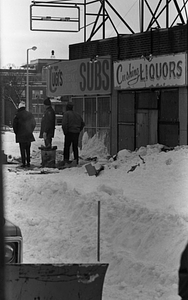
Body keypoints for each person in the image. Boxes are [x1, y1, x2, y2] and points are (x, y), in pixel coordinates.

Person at [13, 101, 36, 167]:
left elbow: (15, 125)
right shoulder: (29, 114)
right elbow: (33, 123)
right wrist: (30, 130)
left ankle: (23, 162)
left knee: (22, 149)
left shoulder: (17, 115)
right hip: (28, 134)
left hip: (21, 135)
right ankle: (28, 162)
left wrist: (17, 133)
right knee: (28, 148)